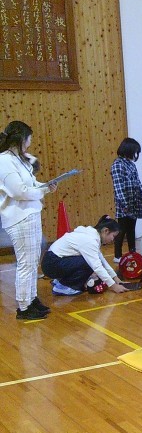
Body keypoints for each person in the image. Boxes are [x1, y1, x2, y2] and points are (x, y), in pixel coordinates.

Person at [0, 121, 57, 320]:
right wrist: (42, 190)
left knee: (32, 262)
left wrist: (46, 186)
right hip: (19, 217)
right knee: (26, 263)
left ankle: (31, 299)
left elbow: (31, 184)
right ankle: (24, 307)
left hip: (30, 214)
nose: (30, 142)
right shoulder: (4, 160)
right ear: (21, 138)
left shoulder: (19, 159)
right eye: (29, 138)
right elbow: (19, 191)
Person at [41, 215, 129, 295]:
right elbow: (97, 266)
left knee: (89, 261)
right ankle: (63, 287)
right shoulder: (90, 240)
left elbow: (102, 261)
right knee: (88, 263)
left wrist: (116, 279)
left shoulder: (92, 235)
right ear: (106, 231)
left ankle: (60, 281)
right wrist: (114, 286)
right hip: (51, 264)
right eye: (113, 236)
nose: (113, 240)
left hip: (52, 261)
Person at [110, 138, 142, 264]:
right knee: (121, 229)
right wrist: (124, 204)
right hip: (124, 205)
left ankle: (132, 252)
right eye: (135, 152)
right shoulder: (117, 164)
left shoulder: (131, 165)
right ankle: (117, 255)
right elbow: (118, 187)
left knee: (131, 228)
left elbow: (138, 183)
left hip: (134, 202)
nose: (135, 155)